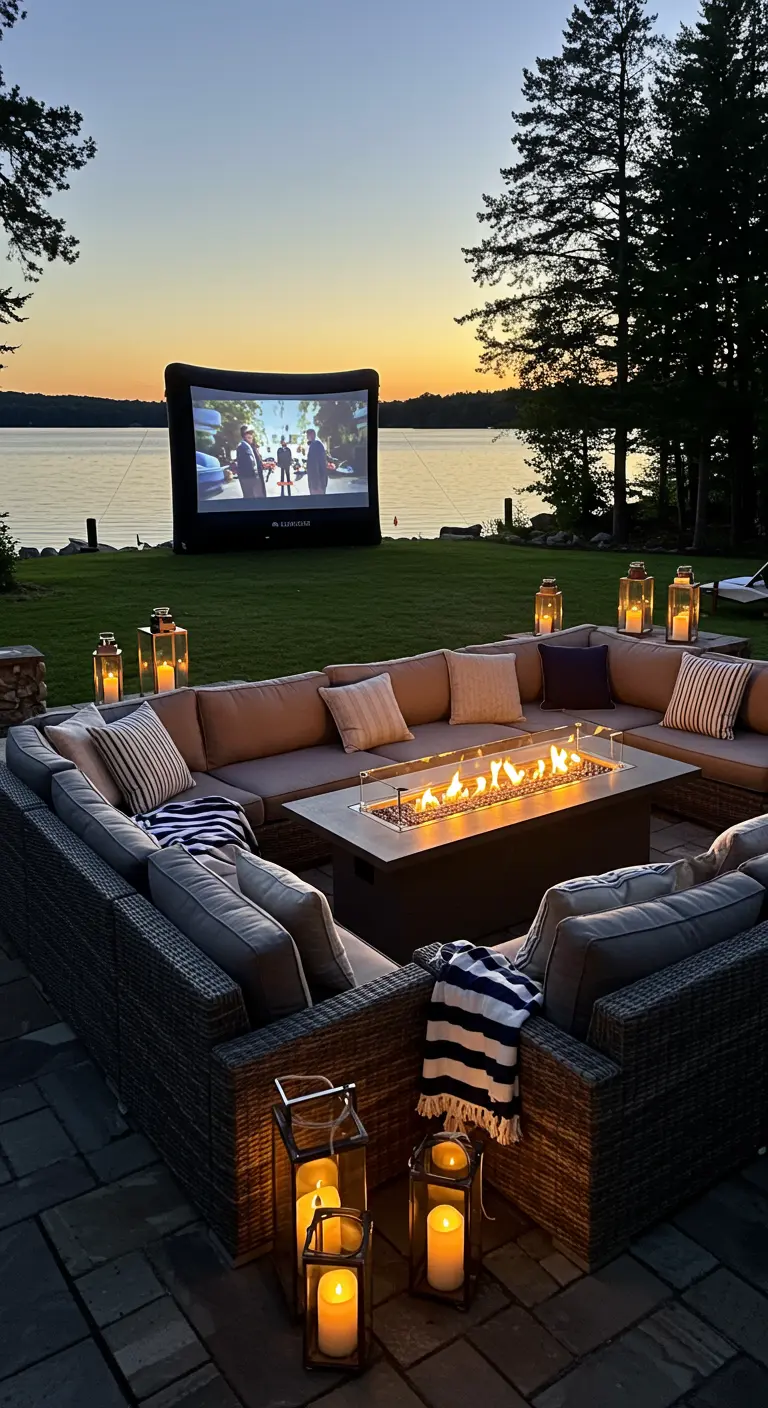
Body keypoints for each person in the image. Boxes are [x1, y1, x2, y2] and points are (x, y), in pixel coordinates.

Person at [235, 426, 266, 499]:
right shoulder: (242, 447)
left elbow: (255, 461)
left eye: (251, 434)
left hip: (254, 477)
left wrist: (263, 465)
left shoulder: (250, 447)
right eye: (248, 433)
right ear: (244, 435)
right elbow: (246, 465)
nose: (251, 436)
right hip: (249, 479)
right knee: (251, 498)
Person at [305, 428, 328, 495]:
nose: (307, 437)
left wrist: (316, 484)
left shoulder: (315, 445)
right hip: (319, 481)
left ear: (312, 435)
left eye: (307, 435)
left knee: (317, 500)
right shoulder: (317, 445)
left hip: (317, 483)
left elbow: (315, 465)